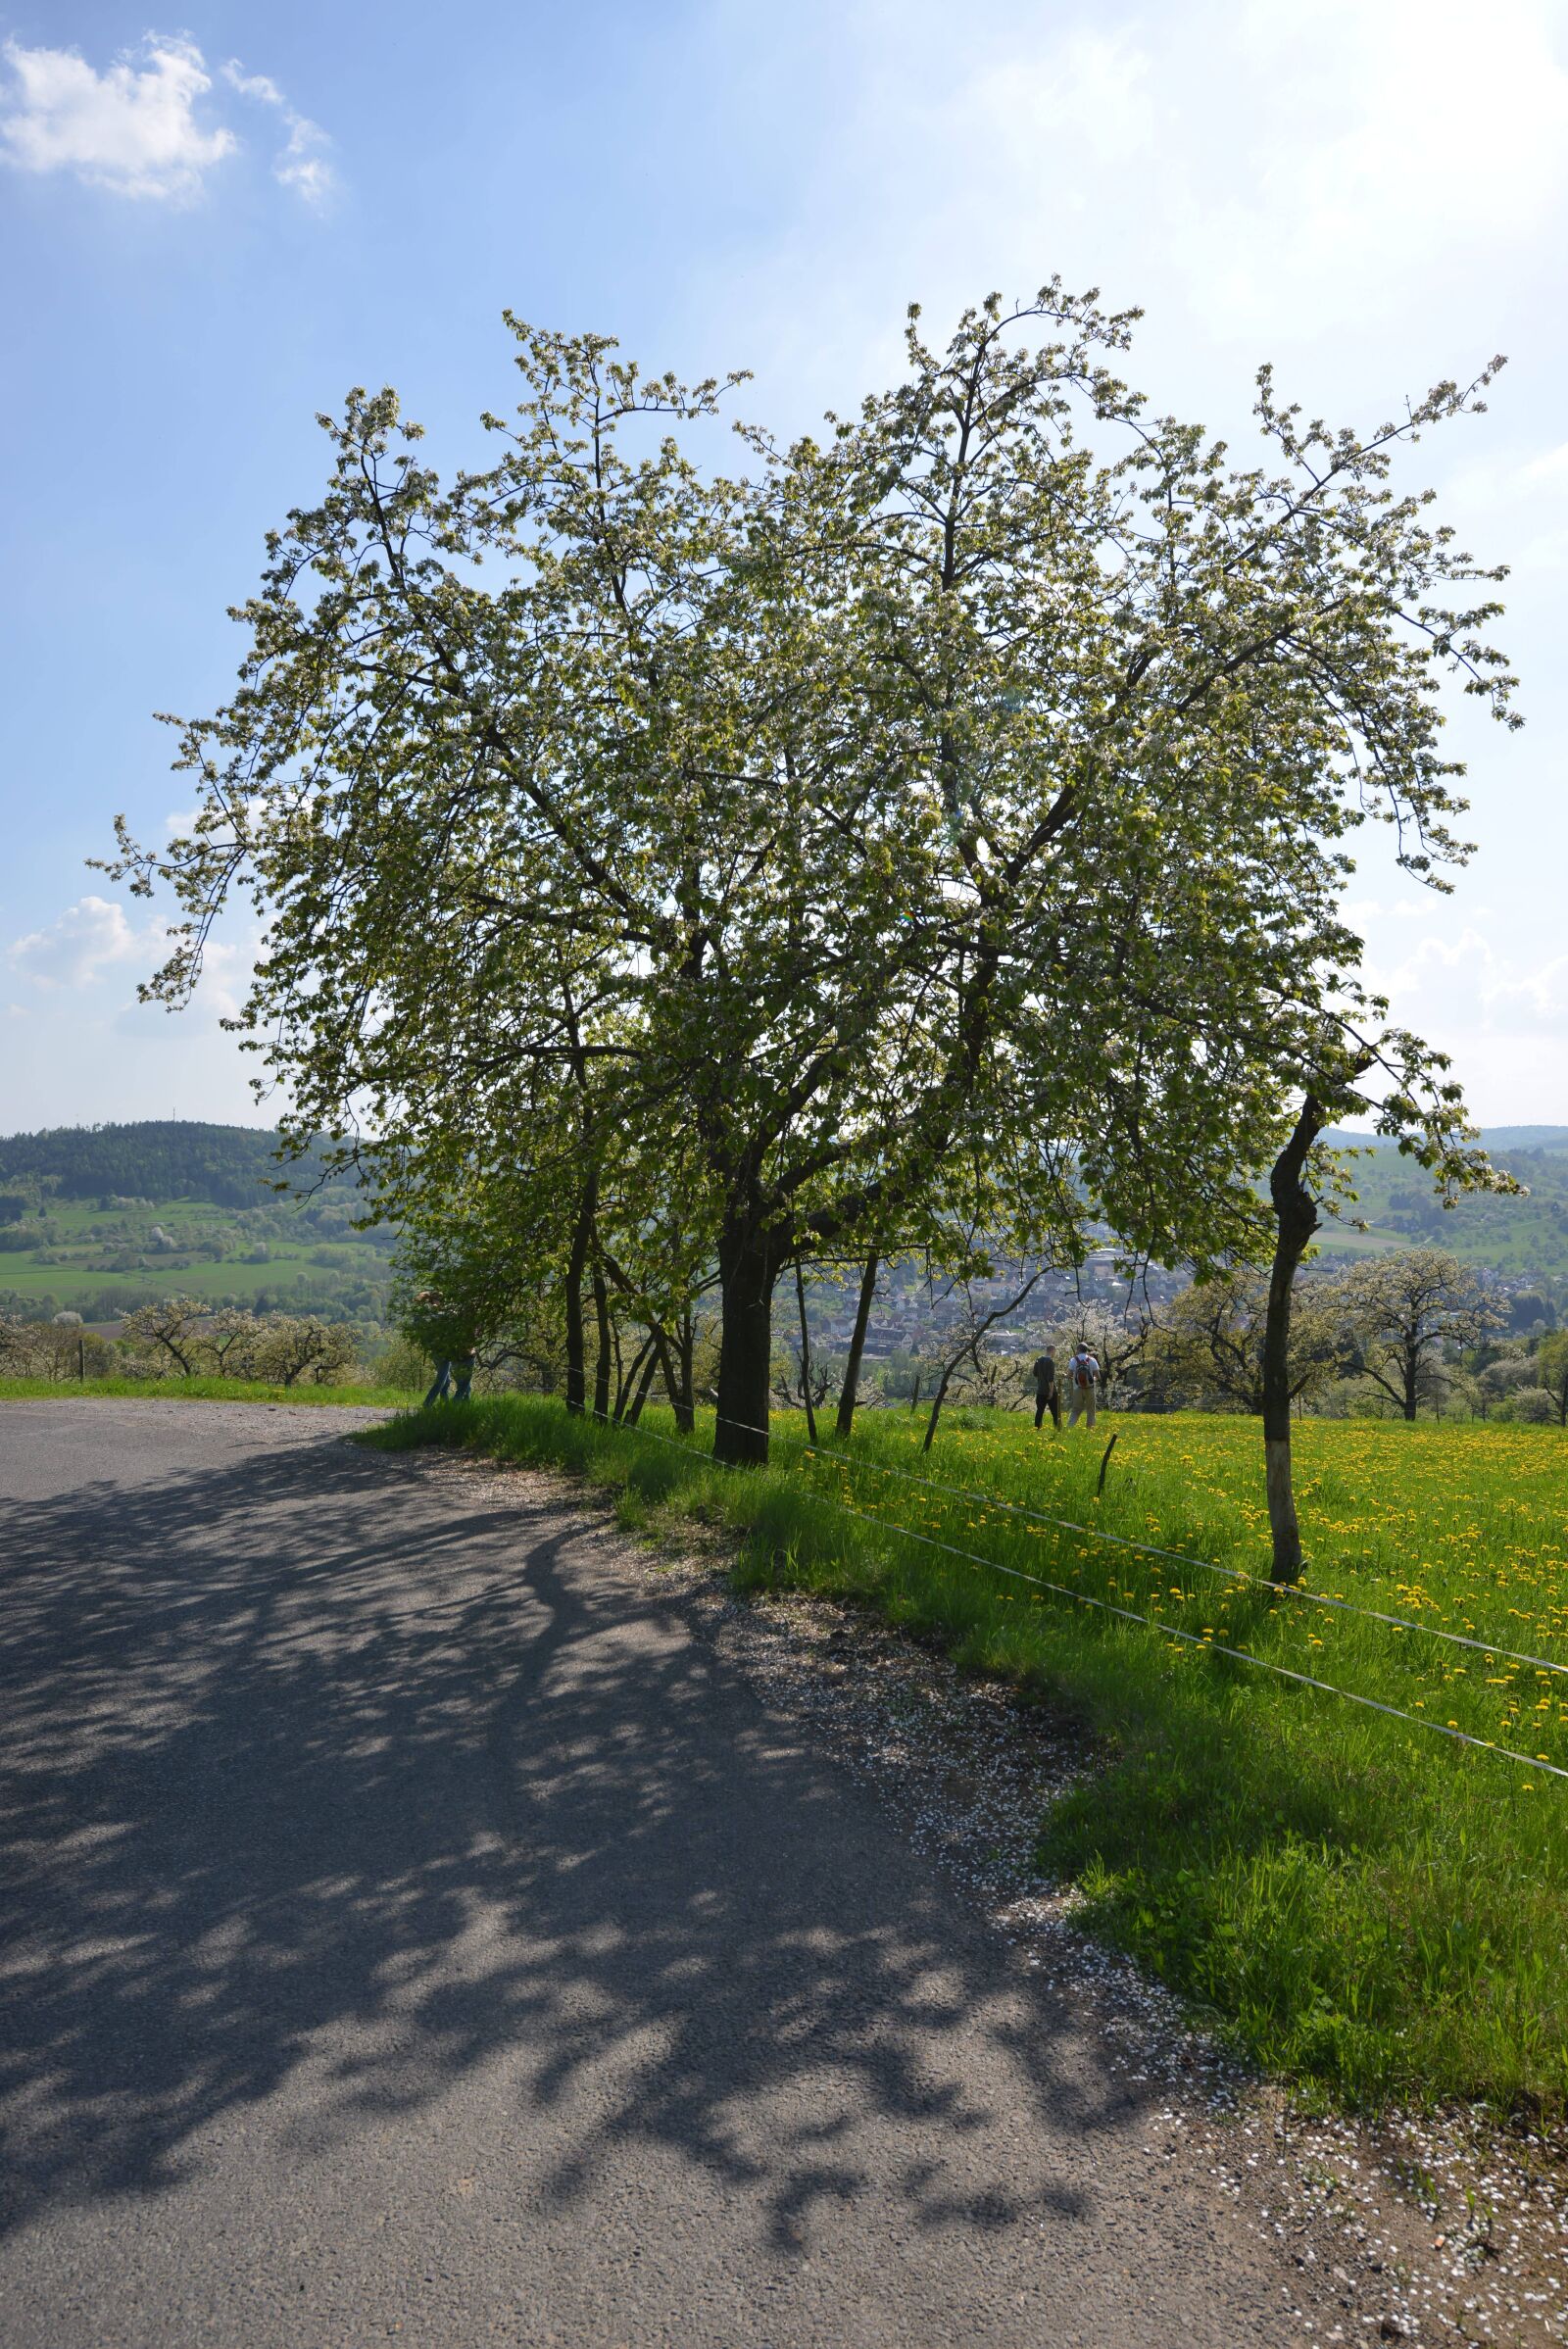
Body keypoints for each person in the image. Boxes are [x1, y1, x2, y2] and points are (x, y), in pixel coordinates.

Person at [1065, 1340, 1101, 1430]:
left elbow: (1069, 1375)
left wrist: (1071, 1377)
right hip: (1090, 1388)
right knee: (1091, 1410)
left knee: (1076, 1409)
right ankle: (1090, 1429)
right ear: (1086, 1350)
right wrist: (1092, 1380)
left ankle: (1069, 1427)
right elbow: (1098, 1376)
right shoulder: (1092, 1360)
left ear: (1078, 1349)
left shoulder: (1074, 1360)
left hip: (1077, 1388)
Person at [1031, 1347, 1060, 1431]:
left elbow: (1035, 1373)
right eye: (1055, 1351)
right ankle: (1057, 1428)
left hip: (1040, 1390)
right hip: (1050, 1391)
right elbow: (1050, 1379)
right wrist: (1051, 1391)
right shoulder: (1050, 1361)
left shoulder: (1038, 1359)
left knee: (1039, 1411)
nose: (1055, 1353)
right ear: (1052, 1351)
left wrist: (1041, 1378)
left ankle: (1037, 1429)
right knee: (1055, 1412)